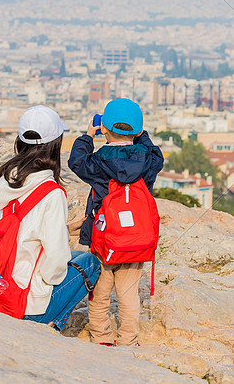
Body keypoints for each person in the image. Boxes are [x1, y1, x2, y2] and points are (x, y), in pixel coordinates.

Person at [0, 105, 101, 330]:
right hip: (27, 306)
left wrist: (64, 229)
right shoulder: (51, 193)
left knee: (76, 255)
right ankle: (52, 324)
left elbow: (14, 232)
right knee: (90, 263)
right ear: (55, 145)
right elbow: (56, 263)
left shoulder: (6, 182)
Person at [68, 98, 164, 346]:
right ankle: (128, 340)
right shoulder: (149, 162)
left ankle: (101, 336)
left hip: (104, 239)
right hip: (135, 241)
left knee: (99, 292)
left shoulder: (98, 162)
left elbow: (76, 161)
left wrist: (87, 136)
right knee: (128, 293)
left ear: (105, 129)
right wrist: (142, 135)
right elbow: (157, 154)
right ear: (139, 130)